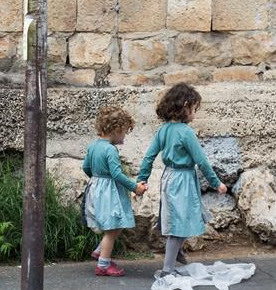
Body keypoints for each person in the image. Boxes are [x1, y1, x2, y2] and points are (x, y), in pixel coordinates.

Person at [137, 83, 228, 277]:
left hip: (169, 177)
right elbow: (202, 161)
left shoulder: (163, 130)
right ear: (185, 106)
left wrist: (142, 178)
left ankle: (176, 251)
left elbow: (149, 156)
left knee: (179, 217)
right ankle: (167, 269)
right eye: (194, 109)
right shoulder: (187, 133)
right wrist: (216, 182)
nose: (195, 114)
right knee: (179, 223)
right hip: (183, 180)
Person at [82, 106, 147, 277]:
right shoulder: (110, 150)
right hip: (109, 192)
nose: (125, 136)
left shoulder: (94, 146)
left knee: (115, 224)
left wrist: (97, 179)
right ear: (117, 130)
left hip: (96, 187)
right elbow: (117, 174)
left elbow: (85, 167)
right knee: (111, 230)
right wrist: (135, 187)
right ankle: (103, 265)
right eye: (125, 132)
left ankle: (100, 251)